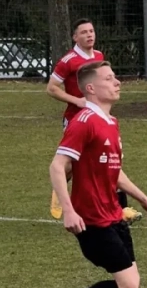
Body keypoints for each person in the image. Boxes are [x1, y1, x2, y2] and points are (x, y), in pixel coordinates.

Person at [40, 60, 147, 288]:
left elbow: (114, 171)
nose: (117, 82)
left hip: (114, 214)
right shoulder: (84, 121)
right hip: (91, 219)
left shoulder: (110, 122)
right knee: (128, 285)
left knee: (127, 284)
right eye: (109, 78)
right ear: (91, 88)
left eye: (115, 76)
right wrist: (68, 210)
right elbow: (57, 166)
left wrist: (144, 199)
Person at [45, 19, 139, 223]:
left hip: (99, 119)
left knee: (106, 161)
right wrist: (77, 101)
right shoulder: (68, 61)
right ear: (75, 37)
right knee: (74, 163)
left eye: (91, 31)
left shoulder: (98, 56)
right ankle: (60, 189)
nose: (89, 35)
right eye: (84, 32)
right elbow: (51, 88)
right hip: (76, 120)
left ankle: (119, 208)